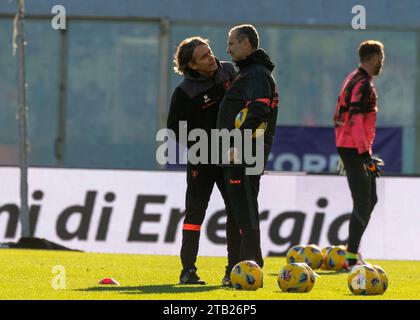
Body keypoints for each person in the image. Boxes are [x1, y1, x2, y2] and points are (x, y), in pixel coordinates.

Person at [167, 37, 241, 285]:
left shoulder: (229, 71)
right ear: (191, 65)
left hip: (232, 158)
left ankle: (233, 270)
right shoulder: (184, 91)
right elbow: (174, 128)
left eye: (209, 52)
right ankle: (188, 270)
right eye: (203, 57)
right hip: (203, 160)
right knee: (195, 213)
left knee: (236, 212)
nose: (212, 58)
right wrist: (202, 145)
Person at [216, 25, 279, 269]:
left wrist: (235, 143)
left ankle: (251, 266)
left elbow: (259, 111)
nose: (227, 49)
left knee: (245, 211)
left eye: (231, 43)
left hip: (244, 152)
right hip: (240, 152)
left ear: (245, 43)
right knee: (238, 212)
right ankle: (242, 266)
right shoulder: (250, 73)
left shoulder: (256, 75)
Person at [333, 40, 385, 269]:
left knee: (368, 199)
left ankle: (352, 254)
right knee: (364, 202)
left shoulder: (352, 77)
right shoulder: (363, 83)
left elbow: (338, 116)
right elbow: (354, 119)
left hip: (351, 146)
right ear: (374, 58)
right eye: (381, 58)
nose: (382, 62)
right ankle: (351, 257)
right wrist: (364, 154)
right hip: (354, 148)